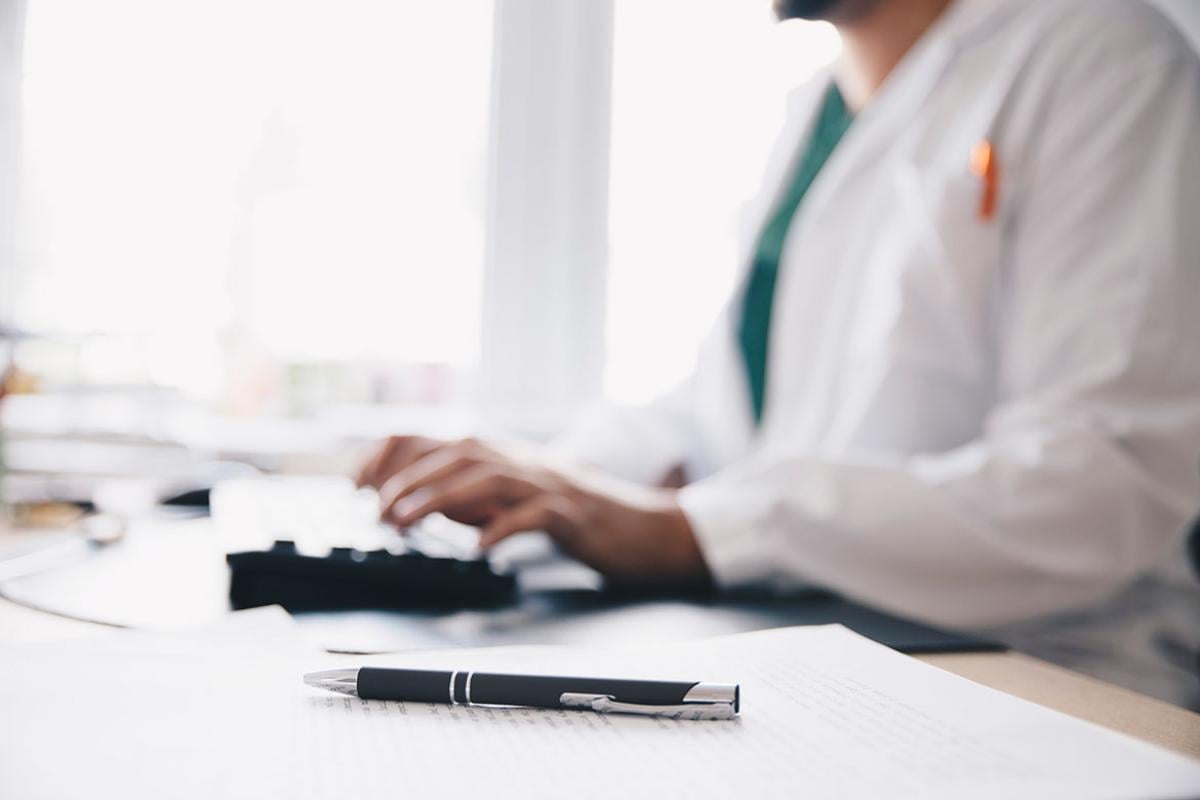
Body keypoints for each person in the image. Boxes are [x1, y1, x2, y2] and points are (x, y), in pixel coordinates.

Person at [359, 0, 1200, 705]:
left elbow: (1103, 482)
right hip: (818, 651)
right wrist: (546, 485)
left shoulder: (1105, 58)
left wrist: (699, 530)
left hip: (1042, 680)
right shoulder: (814, 108)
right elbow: (719, 412)